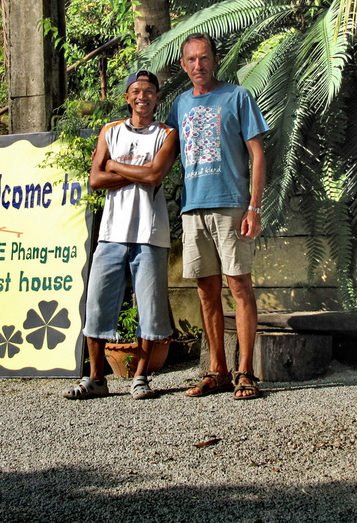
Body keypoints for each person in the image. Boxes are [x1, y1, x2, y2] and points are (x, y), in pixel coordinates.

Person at [63, 69, 178, 400]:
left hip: (149, 234)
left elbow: (156, 175)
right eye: (136, 91)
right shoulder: (110, 131)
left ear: (157, 97)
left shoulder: (167, 133)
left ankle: (140, 378)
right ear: (127, 97)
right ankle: (97, 377)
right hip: (112, 232)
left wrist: (115, 166)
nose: (142, 96)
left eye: (149, 91)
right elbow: (94, 180)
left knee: (151, 309)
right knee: (97, 305)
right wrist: (137, 174)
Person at [167, 33, 269, 400]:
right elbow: (163, 151)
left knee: (239, 286)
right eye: (191, 60)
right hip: (193, 208)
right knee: (206, 292)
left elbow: (258, 154)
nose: (199, 65)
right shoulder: (178, 105)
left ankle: (246, 372)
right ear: (183, 65)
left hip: (231, 205)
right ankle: (218, 371)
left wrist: (254, 207)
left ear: (215, 59)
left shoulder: (238, 97)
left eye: (204, 58)